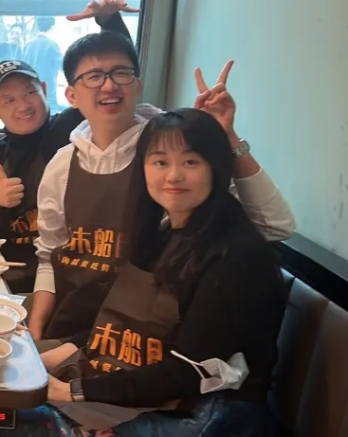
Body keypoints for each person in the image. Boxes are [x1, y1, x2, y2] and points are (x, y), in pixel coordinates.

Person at [23, 109, 286, 435]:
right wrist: (37, 358)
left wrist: (72, 391)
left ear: (216, 168)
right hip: (142, 382)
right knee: (1, 390)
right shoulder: (162, 236)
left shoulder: (237, 258)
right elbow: (114, 329)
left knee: (26, 419)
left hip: (208, 411)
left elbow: (188, 371)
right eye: (160, 162)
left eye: (191, 162)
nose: (173, 175)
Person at [27, 37, 296, 345]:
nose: (109, 85)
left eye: (121, 73)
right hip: (70, 331)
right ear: (72, 96)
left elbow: (274, 225)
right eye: (94, 76)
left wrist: (227, 136)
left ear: (138, 86)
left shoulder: (171, 160)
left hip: (140, 342)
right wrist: (36, 330)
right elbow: (50, 256)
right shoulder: (61, 166)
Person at [0, 0, 135, 294]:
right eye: (8, 99)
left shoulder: (69, 129)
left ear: (45, 90)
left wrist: (109, 22)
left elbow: (110, 85)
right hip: (6, 278)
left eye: (30, 92)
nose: (23, 105)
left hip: (67, 276)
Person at [22, 16, 64, 112]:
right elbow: (61, 65)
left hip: (30, 85)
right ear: (52, 26)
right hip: (49, 86)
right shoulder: (52, 44)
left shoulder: (28, 45)